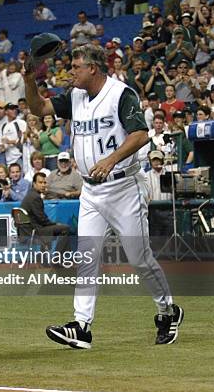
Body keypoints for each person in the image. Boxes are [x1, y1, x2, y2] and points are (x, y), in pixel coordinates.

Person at [24, 42, 183, 349]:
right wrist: (30, 79)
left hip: (124, 187)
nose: (71, 71)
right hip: (91, 192)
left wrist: (111, 159)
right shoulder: (76, 95)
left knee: (139, 259)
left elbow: (140, 134)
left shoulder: (120, 94)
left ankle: (167, 310)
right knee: (87, 257)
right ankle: (81, 326)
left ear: (92, 68)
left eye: (76, 66)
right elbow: (39, 108)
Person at [20, 172, 70, 250]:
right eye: (40, 182)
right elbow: (42, 220)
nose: (43, 185)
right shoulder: (35, 197)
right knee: (65, 228)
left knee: (55, 227)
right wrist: (55, 224)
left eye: (44, 182)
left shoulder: (30, 194)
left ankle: (47, 258)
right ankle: (57, 259)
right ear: (34, 184)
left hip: (27, 231)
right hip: (34, 231)